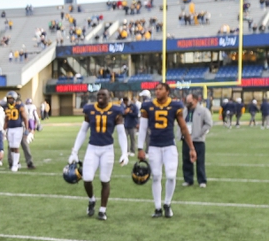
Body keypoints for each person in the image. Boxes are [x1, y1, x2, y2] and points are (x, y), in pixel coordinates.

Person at [68, 88, 127, 221]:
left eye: (103, 95)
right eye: (98, 94)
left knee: (104, 179)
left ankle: (102, 210)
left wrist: (124, 153)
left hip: (107, 149)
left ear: (109, 97)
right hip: (92, 148)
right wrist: (75, 151)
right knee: (87, 178)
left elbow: (121, 133)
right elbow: (83, 131)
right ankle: (91, 199)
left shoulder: (116, 111)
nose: (100, 96)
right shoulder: (90, 109)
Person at [139, 81, 196, 218]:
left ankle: (167, 203)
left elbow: (183, 128)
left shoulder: (175, 105)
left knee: (171, 176)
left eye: (160, 89)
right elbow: (143, 128)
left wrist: (191, 148)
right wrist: (140, 148)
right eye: (156, 89)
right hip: (154, 146)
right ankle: (158, 207)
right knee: (156, 176)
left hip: (169, 145)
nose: (157, 91)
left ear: (167, 92)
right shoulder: (148, 106)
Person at [182, 90, 212, 188]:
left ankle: (202, 180)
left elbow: (208, 124)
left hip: (198, 140)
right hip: (186, 139)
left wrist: (199, 133)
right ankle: (188, 179)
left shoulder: (203, 111)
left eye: (189, 101)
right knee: (186, 160)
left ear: (195, 100)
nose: (187, 103)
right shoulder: (185, 110)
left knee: (200, 161)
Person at [3, 91, 31, 171]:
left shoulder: (19, 106)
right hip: (10, 128)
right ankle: (17, 163)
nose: (9, 100)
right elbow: (6, 119)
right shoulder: (7, 107)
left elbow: (25, 118)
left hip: (18, 128)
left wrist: (26, 128)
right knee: (11, 147)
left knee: (16, 146)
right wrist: (4, 129)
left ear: (15, 98)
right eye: (8, 98)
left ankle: (15, 165)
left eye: (11, 98)